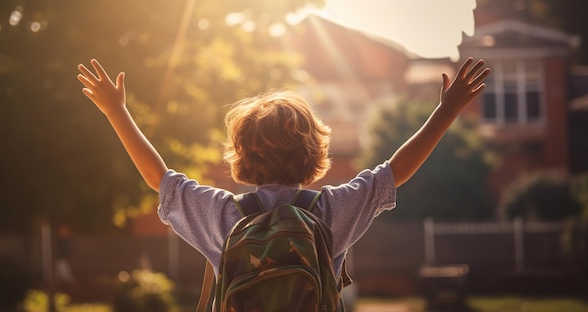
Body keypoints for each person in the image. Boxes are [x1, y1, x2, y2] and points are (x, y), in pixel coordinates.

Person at [76, 56, 489, 287]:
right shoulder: (330, 211)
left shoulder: (224, 215)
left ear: (239, 155)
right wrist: (445, 112)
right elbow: (394, 172)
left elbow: (159, 178)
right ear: (315, 152)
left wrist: (116, 111)